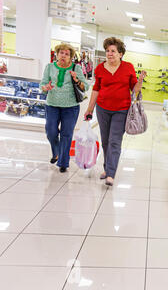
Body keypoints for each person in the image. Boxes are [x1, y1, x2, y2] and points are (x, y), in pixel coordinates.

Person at [84, 37, 146, 186]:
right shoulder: (99, 68)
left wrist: (140, 80)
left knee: (114, 141)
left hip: (122, 110)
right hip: (103, 109)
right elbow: (96, 89)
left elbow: (134, 90)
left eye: (113, 51)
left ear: (120, 54)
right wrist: (89, 109)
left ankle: (111, 173)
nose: (110, 54)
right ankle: (106, 168)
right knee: (105, 141)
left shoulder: (128, 67)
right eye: (107, 51)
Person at [40, 43, 89, 173]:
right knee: (51, 132)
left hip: (71, 106)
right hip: (52, 105)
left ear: (71, 57)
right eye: (61, 53)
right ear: (57, 54)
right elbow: (43, 84)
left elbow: (86, 86)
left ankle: (63, 162)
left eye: (67, 54)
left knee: (66, 134)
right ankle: (56, 152)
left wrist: (77, 80)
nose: (63, 56)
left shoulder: (76, 68)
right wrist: (46, 88)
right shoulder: (49, 67)